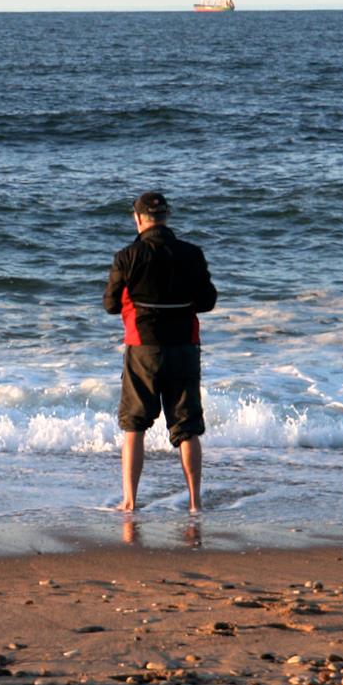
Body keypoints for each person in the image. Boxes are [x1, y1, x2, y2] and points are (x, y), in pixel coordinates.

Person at [102, 191, 217, 513]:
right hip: (184, 345)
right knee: (187, 427)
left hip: (143, 347)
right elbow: (208, 301)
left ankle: (130, 501)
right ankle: (195, 502)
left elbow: (111, 304)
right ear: (166, 217)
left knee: (135, 426)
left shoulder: (128, 256)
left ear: (138, 219)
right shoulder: (192, 254)